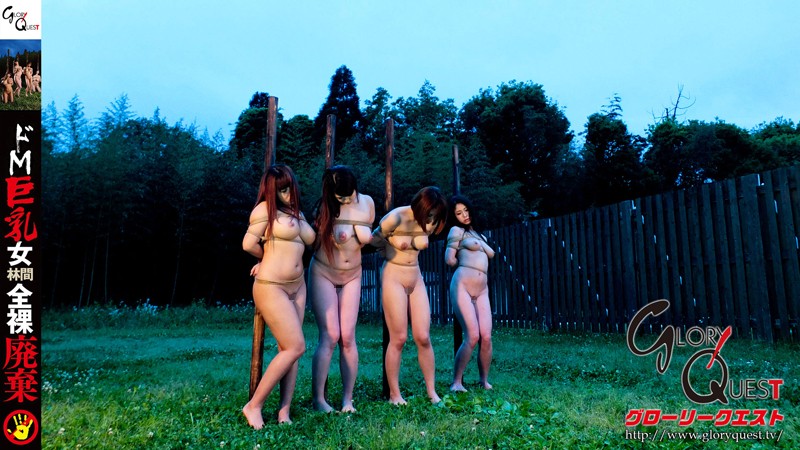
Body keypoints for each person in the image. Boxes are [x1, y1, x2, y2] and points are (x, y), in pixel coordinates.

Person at [241, 164, 315, 428]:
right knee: (296, 346)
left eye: (290, 188)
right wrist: (265, 258)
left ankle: (284, 412)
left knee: (289, 350)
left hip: (298, 286)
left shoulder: (298, 213)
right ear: (272, 191)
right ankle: (253, 406)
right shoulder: (264, 210)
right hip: (272, 285)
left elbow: (309, 241)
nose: (289, 194)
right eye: (282, 190)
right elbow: (248, 244)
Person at [371, 186, 447, 404]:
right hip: (394, 275)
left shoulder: (430, 223)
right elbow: (373, 239)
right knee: (399, 338)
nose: (432, 223)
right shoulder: (397, 217)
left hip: (416, 276)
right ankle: (394, 394)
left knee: (423, 336)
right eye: (430, 216)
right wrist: (391, 244)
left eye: (436, 218)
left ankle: (431, 391)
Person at [309, 166, 375, 413]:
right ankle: (319, 399)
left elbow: (368, 236)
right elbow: (312, 241)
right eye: (341, 197)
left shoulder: (367, 202)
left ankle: (348, 400)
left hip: (352, 275)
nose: (346, 200)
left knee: (348, 336)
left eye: (349, 195)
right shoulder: (324, 207)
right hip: (324, 272)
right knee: (330, 335)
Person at [444, 195, 495, 391]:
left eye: (466, 210)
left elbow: (490, 254)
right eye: (459, 213)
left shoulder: (477, 234)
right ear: (454, 217)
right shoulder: (456, 231)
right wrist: (466, 265)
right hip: (463, 285)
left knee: (486, 336)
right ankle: (456, 382)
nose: (464, 215)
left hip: (482, 289)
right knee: (472, 335)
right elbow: (449, 259)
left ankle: (484, 380)